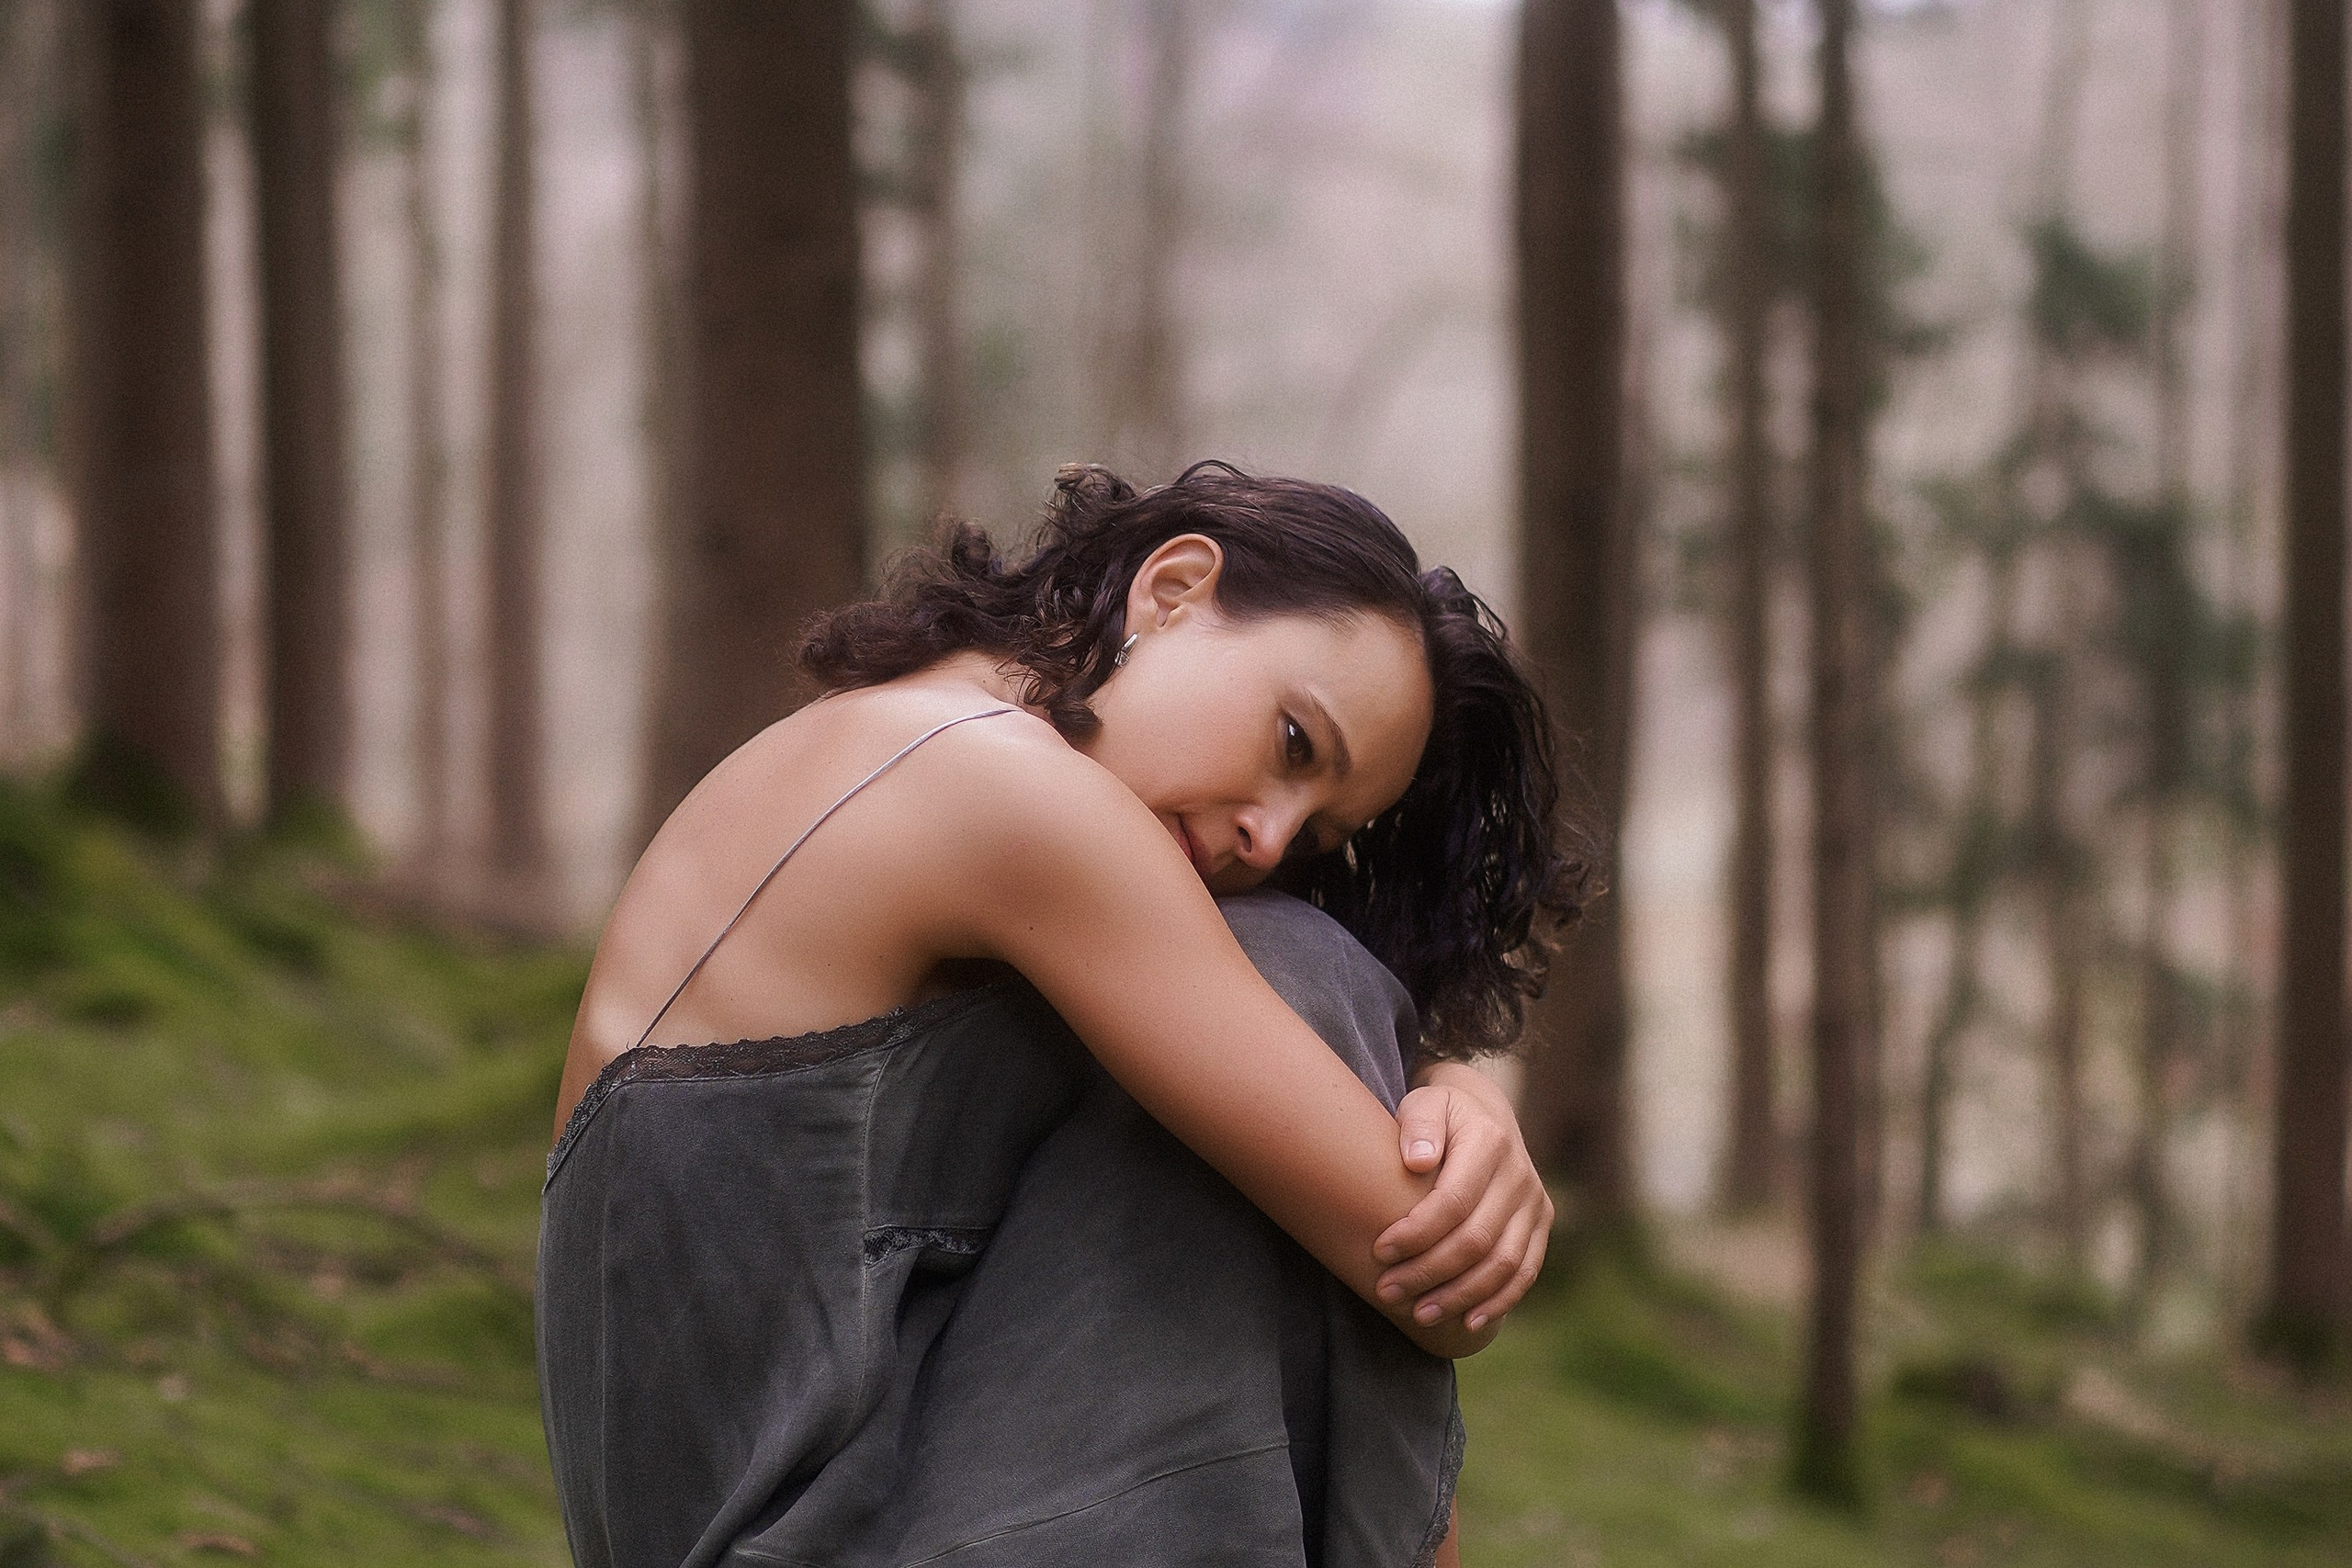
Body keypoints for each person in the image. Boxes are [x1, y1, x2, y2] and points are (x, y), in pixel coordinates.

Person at [537, 463, 1589, 1568]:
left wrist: (1447, 1085)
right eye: (1293, 744)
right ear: (1172, 590)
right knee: (1303, 967)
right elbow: (1434, 1287)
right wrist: (1456, 1107)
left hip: (783, 1500)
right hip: (793, 1532)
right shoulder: (1007, 793)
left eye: (1317, 833)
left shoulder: (904, 729)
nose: (1270, 839)